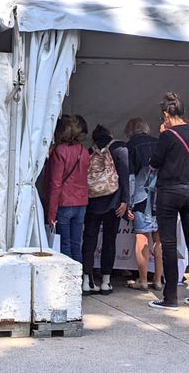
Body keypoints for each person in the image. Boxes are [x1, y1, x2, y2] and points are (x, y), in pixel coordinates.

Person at [148, 92, 189, 310]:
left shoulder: (167, 135)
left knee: (169, 243)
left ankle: (171, 297)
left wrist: (163, 134)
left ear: (166, 114)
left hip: (170, 191)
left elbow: (155, 162)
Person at [81, 125, 129, 295]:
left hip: (92, 202)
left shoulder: (89, 151)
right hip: (113, 204)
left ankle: (87, 280)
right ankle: (106, 282)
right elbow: (124, 176)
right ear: (110, 135)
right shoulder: (119, 149)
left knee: (89, 240)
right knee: (109, 241)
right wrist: (125, 200)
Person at [123, 117, 163, 292]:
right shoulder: (159, 143)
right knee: (159, 238)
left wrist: (129, 203)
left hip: (140, 196)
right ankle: (159, 280)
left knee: (141, 236)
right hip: (160, 196)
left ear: (130, 131)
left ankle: (143, 280)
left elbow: (131, 178)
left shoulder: (130, 146)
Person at [46, 115, 90, 265]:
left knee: (64, 244)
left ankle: (67, 280)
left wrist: (51, 213)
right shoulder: (84, 151)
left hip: (64, 203)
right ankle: (78, 280)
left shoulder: (59, 151)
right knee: (76, 244)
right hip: (81, 202)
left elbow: (55, 183)